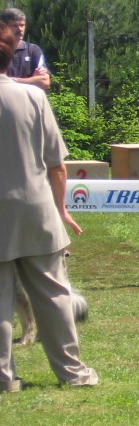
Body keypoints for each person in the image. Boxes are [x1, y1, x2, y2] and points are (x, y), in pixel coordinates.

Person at [0, 24, 98, 391]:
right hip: (34, 206)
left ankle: (4, 378)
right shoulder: (34, 99)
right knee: (54, 292)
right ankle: (73, 373)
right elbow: (57, 164)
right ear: (13, 57)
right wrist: (61, 209)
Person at [1, 7, 51, 91]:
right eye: (15, 26)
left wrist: (10, 81)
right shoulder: (2, 50)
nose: (20, 29)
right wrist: (32, 80)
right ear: (4, 27)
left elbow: (44, 82)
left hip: (26, 101)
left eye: (22, 25)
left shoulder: (33, 50)